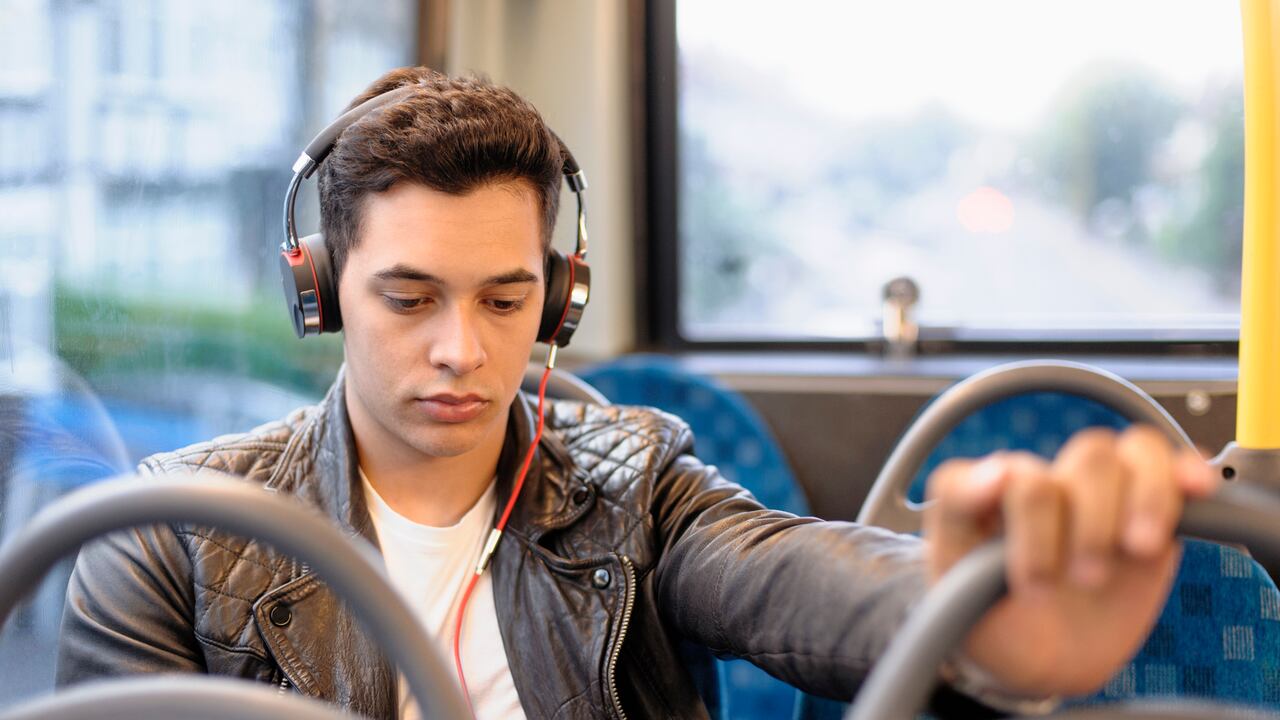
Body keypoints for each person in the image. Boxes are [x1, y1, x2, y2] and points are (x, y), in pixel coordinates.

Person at [56, 67, 1217, 719]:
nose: (461, 348)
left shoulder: (636, 487)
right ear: (321, 294)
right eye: (409, 300)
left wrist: (978, 619)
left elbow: (806, 579)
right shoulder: (175, 536)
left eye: (504, 301)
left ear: (557, 304)